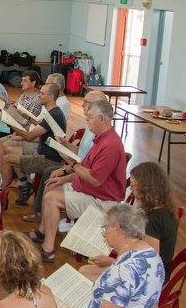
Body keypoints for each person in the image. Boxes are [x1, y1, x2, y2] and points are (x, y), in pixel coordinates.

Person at [35, 99, 127, 262]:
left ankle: (48, 249)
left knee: (51, 198)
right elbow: (85, 168)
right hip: (91, 190)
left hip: (102, 202)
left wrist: (71, 164)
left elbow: (94, 179)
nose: (87, 119)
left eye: (90, 117)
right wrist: (63, 178)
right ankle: (43, 231)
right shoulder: (101, 138)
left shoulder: (110, 145)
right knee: (51, 186)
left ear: (103, 119)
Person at [24, 90, 108, 225]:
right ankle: (43, 218)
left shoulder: (99, 132)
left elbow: (90, 166)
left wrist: (68, 167)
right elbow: (81, 152)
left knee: (49, 173)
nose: (83, 105)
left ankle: (41, 215)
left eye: (87, 103)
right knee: (50, 174)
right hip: (78, 166)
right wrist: (65, 144)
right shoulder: (89, 124)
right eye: (84, 102)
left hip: (82, 171)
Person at [84, 161, 179, 276]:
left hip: (151, 277)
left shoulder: (153, 220)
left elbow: (149, 262)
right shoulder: (165, 207)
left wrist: (112, 262)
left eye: (134, 186)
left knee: (86, 271)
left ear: (145, 188)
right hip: (154, 270)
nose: (132, 191)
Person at [0, 83, 67, 205]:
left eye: (42, 94)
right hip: (45, 155)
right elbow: (41, 126)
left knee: (6, 159)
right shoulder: (54, 112)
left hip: (48, 159)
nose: (39, 96)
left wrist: (10, 123)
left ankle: (1, 195)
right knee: (9, 151)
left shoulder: (53, 114)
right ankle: (24, 184)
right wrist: (26, 116)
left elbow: (30, 137)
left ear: (51, 97)